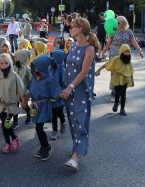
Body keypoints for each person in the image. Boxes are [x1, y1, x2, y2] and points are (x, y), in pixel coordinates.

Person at [60, 18, 98, 172]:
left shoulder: (89, 49)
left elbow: (83, 72)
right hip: (68, 89)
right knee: (73, 120)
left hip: (81, 90)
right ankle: (76, 148)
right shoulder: (74, 45)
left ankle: (76, 156)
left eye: (72, 27)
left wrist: (70, 87)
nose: (69, 29)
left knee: (80, 120)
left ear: (80, 28)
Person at [0, 53, 27, 154]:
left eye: (6, 63)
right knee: (4, 124)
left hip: (11, 104)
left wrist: (23, 100)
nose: (4, 65)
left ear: (10, 63)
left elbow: (21, 89)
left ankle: (14, 138)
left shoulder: (14, 75)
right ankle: (8, 143)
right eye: (1, 63)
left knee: (7, 124)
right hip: (1, 104)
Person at [27, 55, 61, 161]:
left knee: (39, 127)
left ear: (42, 67)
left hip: (44, 106)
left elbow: (55, 93)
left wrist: (54, 98)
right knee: (38, 128)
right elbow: (29, 89)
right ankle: (43, 146)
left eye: (37, 67)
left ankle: (46, 146)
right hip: (35, 106)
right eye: (34, 66)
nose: (35, 69)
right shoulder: (33, 78)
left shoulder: (49, 79)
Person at [101, 16, 143, 95]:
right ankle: (114, 88)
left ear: (124, 23)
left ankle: (122, 87)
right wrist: (103, 52)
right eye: (116, 22)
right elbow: (108, 43)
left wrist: (140, 50)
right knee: (115, 71)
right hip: (114, 53)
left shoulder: (129, 32)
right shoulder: (113, 31)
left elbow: (134, 42)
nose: (117, 24)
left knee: (125, 71)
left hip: (125, 54)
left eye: (118, 22)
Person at [95, 44, 134, 115]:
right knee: (117, 93)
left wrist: (132, 80)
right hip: (116, 78)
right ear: (122, 52)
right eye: (126, 52)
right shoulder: (116, 59)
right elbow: (106, 64)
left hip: (125, 79)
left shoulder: (128, 61)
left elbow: (131, 71)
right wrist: (98, 70)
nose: (127, 53)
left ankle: (122, 109)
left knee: (123, 94)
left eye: (129, 52)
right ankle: (116, 104)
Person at [50, 50, 67, 140]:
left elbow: (64, 83)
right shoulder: (51, 68)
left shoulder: (62, 70)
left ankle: (63, 122)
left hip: (59, 96)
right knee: (53, 115)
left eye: (53, 57)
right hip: (51, 96)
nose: (52, 59)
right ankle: (54, 130)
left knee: (59, 113)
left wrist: (61, 93)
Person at [13, 49, 32, 126]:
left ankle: (29, 114)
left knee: (24, 105)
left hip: (24, 92)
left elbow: (31, 81)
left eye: (17, 57)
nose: (15, 59)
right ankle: (15, 121)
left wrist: (29, 92)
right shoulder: (14, 67)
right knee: (15, 106)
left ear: (22, 58)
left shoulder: (27, 69)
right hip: (15, 91)